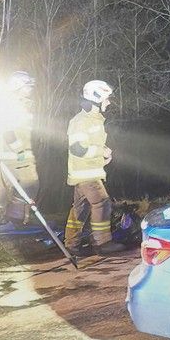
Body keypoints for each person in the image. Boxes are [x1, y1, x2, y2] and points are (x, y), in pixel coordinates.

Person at [66, 79, 116, 255]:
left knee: (81, 208)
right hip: (86, 174)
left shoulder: (93, 119)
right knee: (102, 203)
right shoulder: (82, 121)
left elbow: (88, 147)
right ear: (97, 98)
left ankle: (72, 245)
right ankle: (102, 243)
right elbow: (77, 149)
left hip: (85, 172)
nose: (108, 102)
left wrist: (102, 156)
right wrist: (100, 152)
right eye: (106, 98)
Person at [0, 70, 38, 230]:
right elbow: (7, 131)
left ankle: (12, 220)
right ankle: (2, 221)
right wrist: (20, 150)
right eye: (27, 86)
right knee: (14, 186)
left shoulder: (23, 105)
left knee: (23, 186)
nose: (31, 89)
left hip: (17, 154)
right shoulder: (10, 106)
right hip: (12, 155)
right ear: (17, 87)